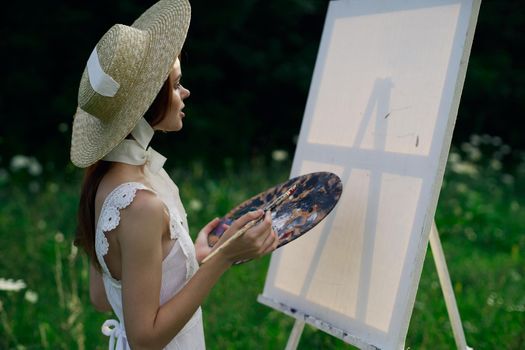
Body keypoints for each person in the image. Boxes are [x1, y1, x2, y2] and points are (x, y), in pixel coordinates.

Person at [70, 0, 278, 348]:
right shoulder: (140, 203)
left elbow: (104, 296)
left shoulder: (104, 180)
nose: (185, 93)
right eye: (177, 83)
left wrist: (189, 261)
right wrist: (223, 259)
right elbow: (145, 339)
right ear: (148, 103)